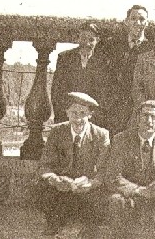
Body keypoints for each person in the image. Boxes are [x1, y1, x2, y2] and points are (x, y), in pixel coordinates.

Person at [106, 100, 155, 236]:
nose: (149, 121)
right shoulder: (121, 139)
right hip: (131, 193)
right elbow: (113, 176)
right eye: (145, 115)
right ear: (137, 118)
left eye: (154, 117)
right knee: (116, 201)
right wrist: (140, 190)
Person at [36, 92, 110, 237]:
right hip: (62, 186)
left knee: (98, 200)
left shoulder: (101, 135)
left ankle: (86, 229)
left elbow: (104, 170)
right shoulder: (57, 132)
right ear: (67, 113)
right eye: (73, 113)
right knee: (43, 190)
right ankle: (54, 225)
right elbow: (44, 165)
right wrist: (54, 179)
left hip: (87, 187)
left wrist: (92, 183)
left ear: (90, 115)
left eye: (83, 113)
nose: (78, 119)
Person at [51, 22, 114, 125]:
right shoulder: (65, 58)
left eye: (91, 40)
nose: (87, 43)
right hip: (68, 115)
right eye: (83, 38)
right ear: (78, 38)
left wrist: (92, 113)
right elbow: (57, 90)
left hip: (93, 116)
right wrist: (69, 111)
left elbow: (107, 92)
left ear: (97, 40)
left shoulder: (104, 61)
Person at [104, 5, 153, 134]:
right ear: (126, 22)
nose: (138, 22)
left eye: (142, 19)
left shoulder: (152, 48)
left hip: (140, 106)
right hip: (115, 108)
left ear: (147, 23)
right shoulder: (114, 45)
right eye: (133, 18)